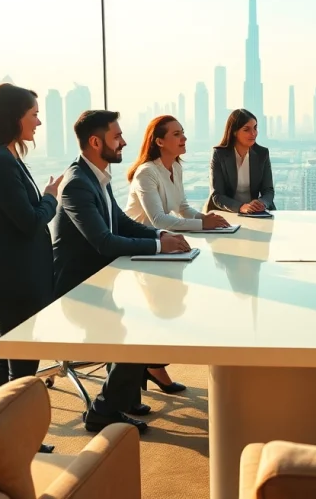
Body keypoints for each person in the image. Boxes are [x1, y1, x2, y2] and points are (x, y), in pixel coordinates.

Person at [52, 110, 192, 434]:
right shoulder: (76, 185)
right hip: (76, 290)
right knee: (140, 331)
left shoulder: (97, 177)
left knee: (145, 318)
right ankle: (103, 411)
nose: (124, 142)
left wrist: (160, 236)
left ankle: (124, 397)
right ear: (95, 141)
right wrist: (160, 248)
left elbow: (123, 222)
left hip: (100, 280)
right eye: (117, 136)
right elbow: (104, 241)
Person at [0, 83, 62, 454]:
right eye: (33, 113)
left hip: (7, 279)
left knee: (8, 364)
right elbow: (28, 221)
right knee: (21, 371)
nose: (38, 120)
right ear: (13, 117)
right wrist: (50, 199)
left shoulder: (1, 156)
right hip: (11, 283)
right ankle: (16, 441)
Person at [125, 114, 229, 392]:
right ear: (159, 141)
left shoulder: (176, 167)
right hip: (140, 248)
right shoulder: (146, 172)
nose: (183, 139)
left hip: (163, 248)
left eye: (183, 133)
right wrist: (200, 224)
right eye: (176, 135)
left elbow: (183, 208)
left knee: (169, 308)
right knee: (161, 310)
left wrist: (208, 220)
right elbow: (158, 219)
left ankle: (153, 366)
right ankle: (147, 367)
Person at [206, 108, 275, 213]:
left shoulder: (262, 153)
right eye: (246, 129)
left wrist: (261, 203)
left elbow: (268, 190)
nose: (253, 133)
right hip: (226, 212)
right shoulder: (219, 154)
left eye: (255, 128)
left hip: (255, 212)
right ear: (234, 132)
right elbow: (217, 195)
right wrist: (242, 207)